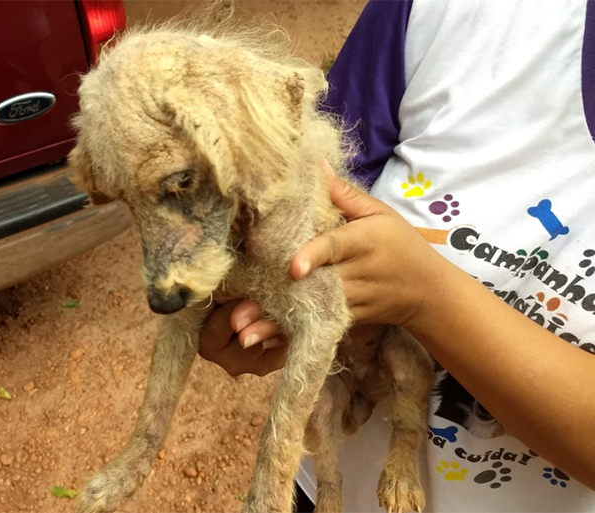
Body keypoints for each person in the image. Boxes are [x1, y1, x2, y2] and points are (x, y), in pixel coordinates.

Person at [198, 0, 595, 510]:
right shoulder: (444, 11)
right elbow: (309, 184)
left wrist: (425, 298)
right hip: (336, 472)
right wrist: (249, 277)